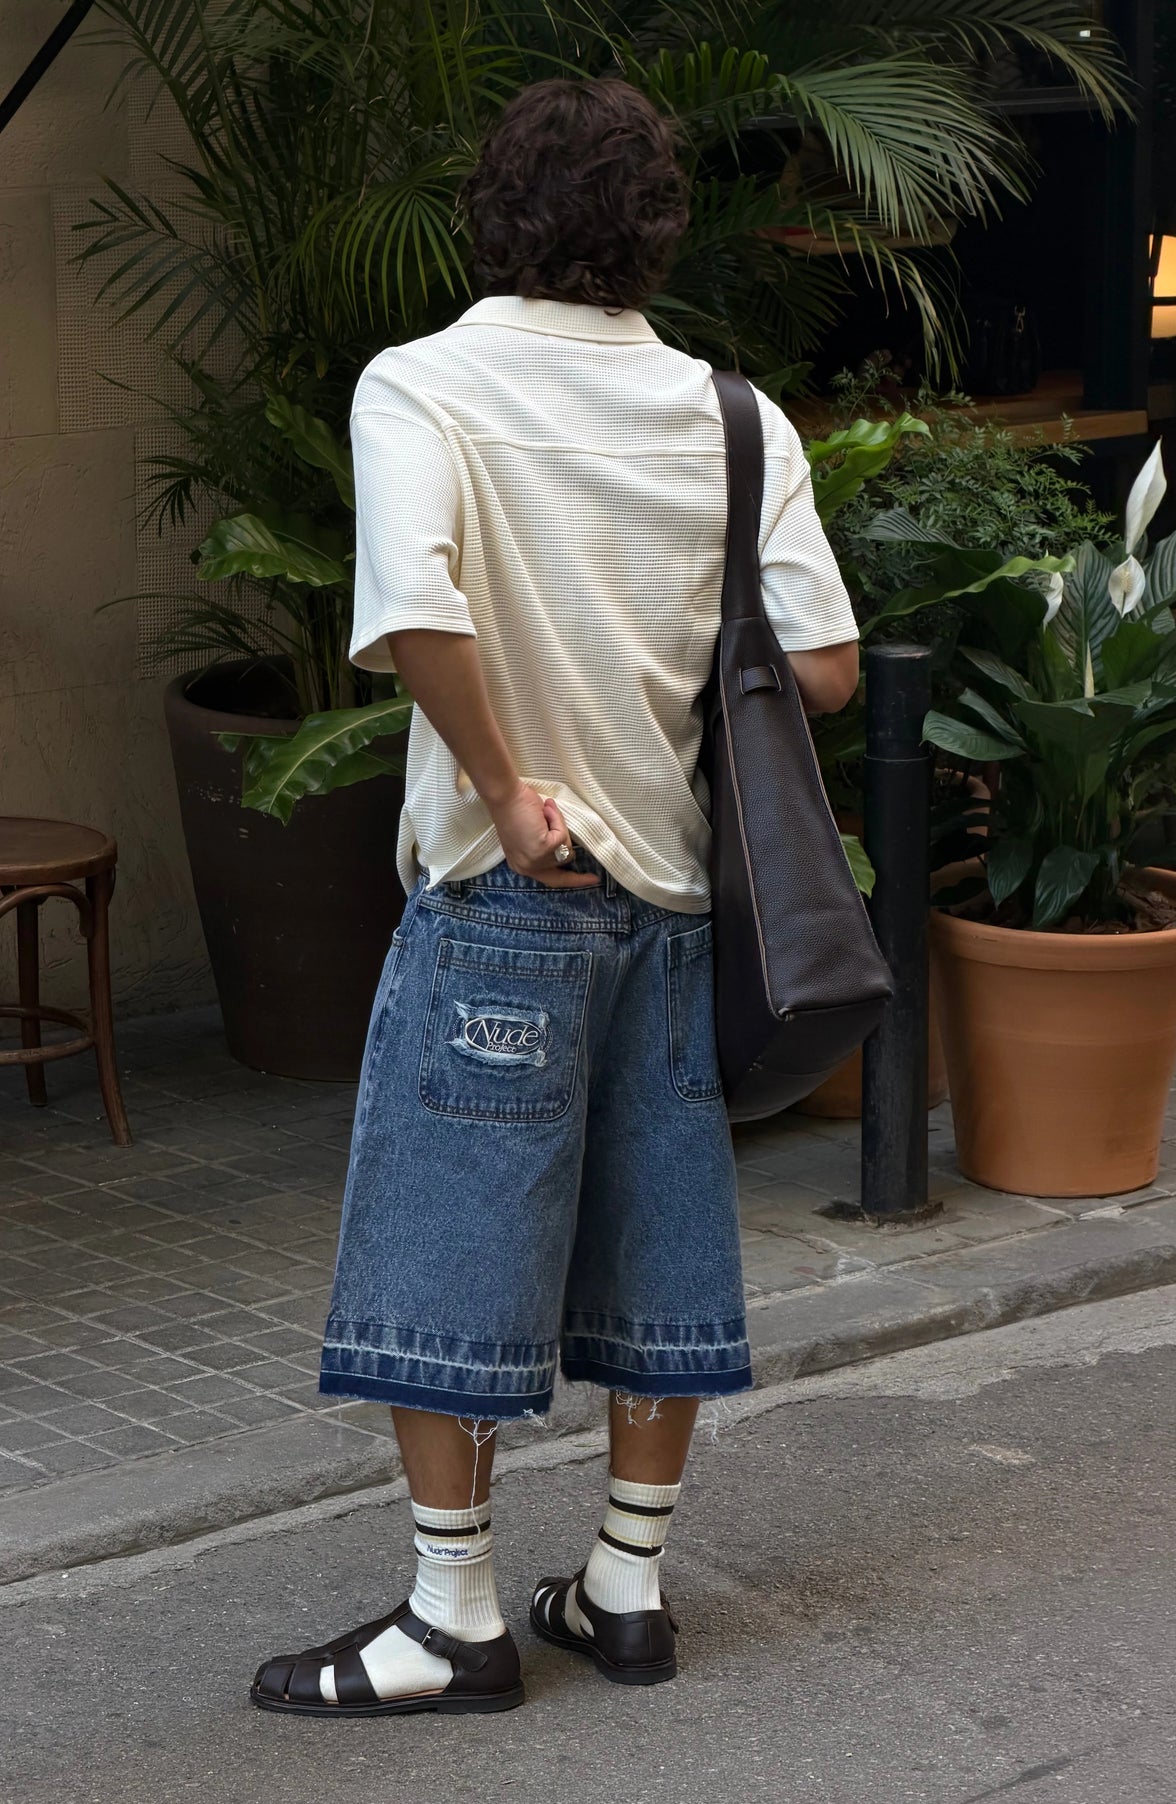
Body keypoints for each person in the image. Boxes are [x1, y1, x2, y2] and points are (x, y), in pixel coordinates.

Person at [251, 75, 859, 1720]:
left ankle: (453, 1618)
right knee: (662, 1239)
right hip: (670, 897)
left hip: (503, 890)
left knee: (444, 1251)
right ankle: (626, 1593)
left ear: (492, 215)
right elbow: (827, 664)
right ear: (660, 229)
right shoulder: (734, 417)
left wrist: (512, 781)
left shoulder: (424, 386)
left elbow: (411, 600)